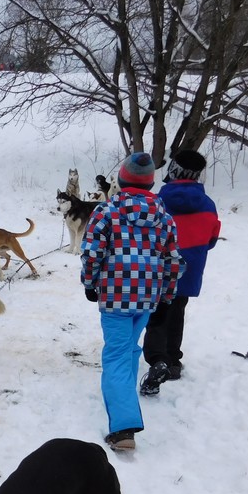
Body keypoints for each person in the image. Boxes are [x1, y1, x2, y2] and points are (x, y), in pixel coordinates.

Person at [80, 152, 181, 452]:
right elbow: (172, 260)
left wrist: (89, 283)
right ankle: (125, 401)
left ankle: (124, 428)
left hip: (115, 296)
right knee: (129, 349)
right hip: (148, 296)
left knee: (116, 356)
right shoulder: (164, 217)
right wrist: (167, 296)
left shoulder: (106, 211)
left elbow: (92, 253)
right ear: (150, 184)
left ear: (122, 180)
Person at [140, 149, 221, 394]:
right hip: (188, 270)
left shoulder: (157, 202)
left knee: (157, 315)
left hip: (159, 269)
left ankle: (158, 360)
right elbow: (212, 239)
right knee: (177, 313)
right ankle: (173, 361)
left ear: (173, 170)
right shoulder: (208, 205)